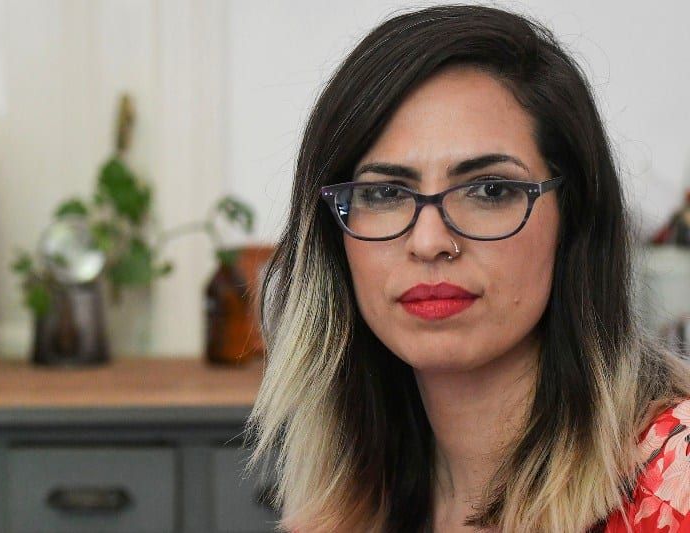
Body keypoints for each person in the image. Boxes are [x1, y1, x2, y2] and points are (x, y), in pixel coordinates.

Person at [244, 4, 690, 532]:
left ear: (573, 218)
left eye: (490, 190)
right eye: (384, 194)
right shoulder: (342, 509)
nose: (429, 242)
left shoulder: (675, 483)